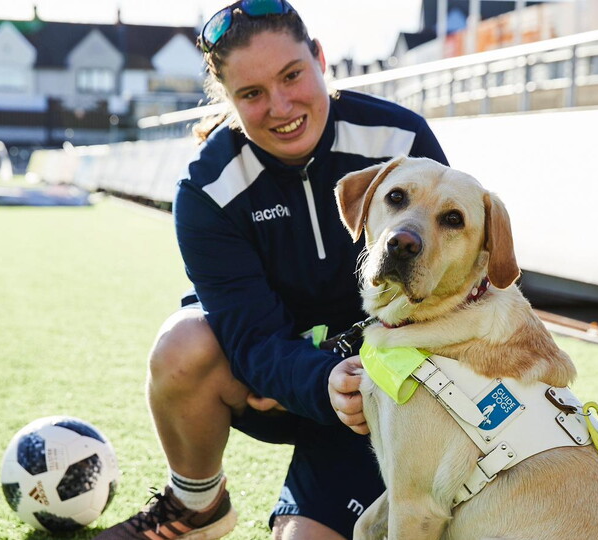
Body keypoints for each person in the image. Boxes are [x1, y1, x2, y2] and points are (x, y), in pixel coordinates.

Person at [95, 1, 448, 539]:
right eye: (252, 94)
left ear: (320, 59)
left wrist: (352, 376)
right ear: (229, 102)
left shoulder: (399, 141)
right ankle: (197, 508)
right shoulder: (207, 188)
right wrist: (315, 377)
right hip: (292, 387)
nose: (281, 106)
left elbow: (450, 284)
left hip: (388, 389)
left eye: (291, 75)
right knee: (184, 345)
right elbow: (249, 335)